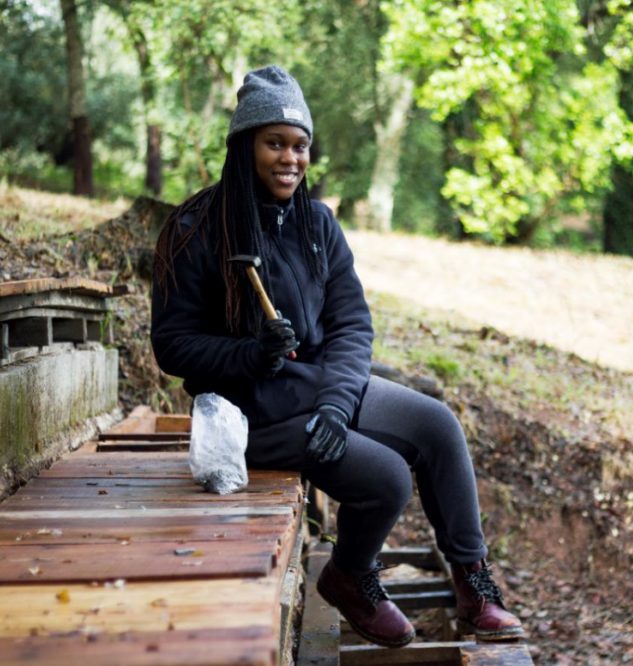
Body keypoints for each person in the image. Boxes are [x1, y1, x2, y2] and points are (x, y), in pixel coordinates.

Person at [151, 65, 524, 648]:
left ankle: (474, 585)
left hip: (319, 389)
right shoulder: (196, 230)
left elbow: (352, 325)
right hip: (252, 413)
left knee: (437, 426)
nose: (290, 159)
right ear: (244, 144)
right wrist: (250, 353)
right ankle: (349, 576)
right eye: (275, 143)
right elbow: (171, 345)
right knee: (387, 478)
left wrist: (336, 403)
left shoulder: (317, 224)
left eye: (300, 146)